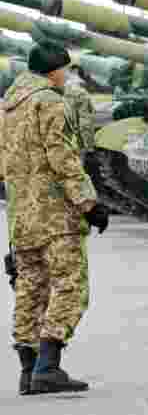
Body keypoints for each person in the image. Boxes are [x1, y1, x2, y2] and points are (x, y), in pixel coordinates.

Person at [3, 43, 108, 395]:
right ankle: (48, 366)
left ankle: (28, 370)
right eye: (66, 69)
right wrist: (89, 203)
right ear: (53, 71)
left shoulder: (8, 106)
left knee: (30, 288)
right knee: (70, 285)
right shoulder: (48, 101)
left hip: (22, 216)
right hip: (54, 216)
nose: (67, 75)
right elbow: (62, 157)